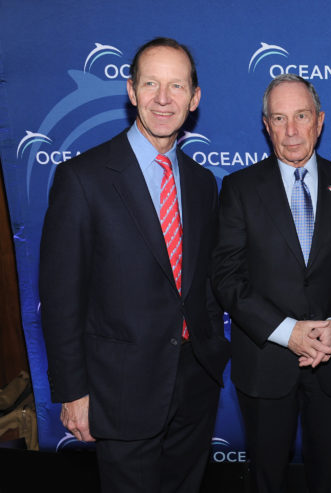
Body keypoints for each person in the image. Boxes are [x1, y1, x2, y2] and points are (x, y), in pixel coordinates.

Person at [39, 37, 230, 493]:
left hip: (196, 384)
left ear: (195, 98)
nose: (163, 99)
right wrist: (73, 391)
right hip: (119, 388)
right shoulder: (82, 179)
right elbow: (61, 297)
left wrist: (212, 354)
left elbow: (200, 281)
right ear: (131, 91)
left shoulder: (202, 182)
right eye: (151, 84)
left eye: (177, 86)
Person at [211, 73, 331, 493]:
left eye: (301, 116)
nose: (291, 131)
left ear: (319, 121)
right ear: (266, 125)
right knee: (268, 479)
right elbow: (227, 277)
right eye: (279, 118)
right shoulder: (239, 188)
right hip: (265, 364)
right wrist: (289, 333)